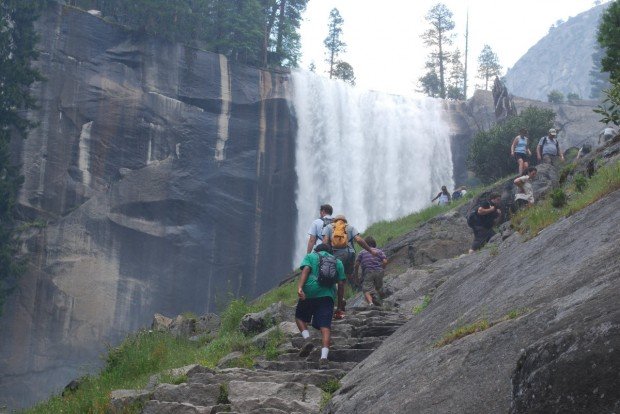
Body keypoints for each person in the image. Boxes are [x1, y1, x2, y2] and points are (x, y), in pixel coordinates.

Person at [295, 243, 346, 368]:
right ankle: (323, 358)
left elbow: (306, 270)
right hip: (327, 295)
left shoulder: (311, 256)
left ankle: (307, 340)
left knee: (300, 317)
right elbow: (341, 284)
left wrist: (300, 287)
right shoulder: (337, 262)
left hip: (310, 292)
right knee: (325, 327)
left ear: (317, 249)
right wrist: (339, 306)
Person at [322, 215, 377, 318]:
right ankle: (343, 297)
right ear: (344, 221)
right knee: (345, 277)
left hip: (337, 254)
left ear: (335, 221)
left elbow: (325, 241)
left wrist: (321, 255)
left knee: (335, 279)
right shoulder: (349, 227)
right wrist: (370, 250)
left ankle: (339, 303)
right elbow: (359, 239)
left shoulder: (329, 227)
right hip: (350, 254)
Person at [354, 236, 388, 306]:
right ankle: (381, 302)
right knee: (378, 287)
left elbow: (356, 265)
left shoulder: (362, 253)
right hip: (379, 271)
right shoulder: (379, 251)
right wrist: (382, 269)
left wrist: (356, 276)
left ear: (364, 244)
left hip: (368, 272)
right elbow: (385, 261)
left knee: (366, 289)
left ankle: (371, 303)